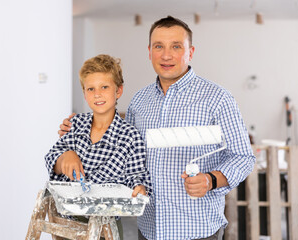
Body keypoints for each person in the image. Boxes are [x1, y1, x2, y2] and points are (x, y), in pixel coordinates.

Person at [59, 16, 255, 240]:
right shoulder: (139, 101)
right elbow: (119, 150)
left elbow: (243, 157)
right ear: (149, 51)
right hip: (149, 229)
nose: (166, 55)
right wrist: (78, 132)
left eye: (176, 46)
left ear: (191, 52)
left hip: (198, 230)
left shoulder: (218, 99)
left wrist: (210, 179)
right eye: (159, 46)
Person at [45, 54, 152, 239]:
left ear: (118, 91)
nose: (97, 94)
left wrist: (139, 188)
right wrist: (65, 157)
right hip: (67, 220)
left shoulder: (130, 136)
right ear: (84, 93)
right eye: (90, 89)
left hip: (105, 224)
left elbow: (136, 176)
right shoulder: (75, 124)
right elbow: (51, 157)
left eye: (104, 87)